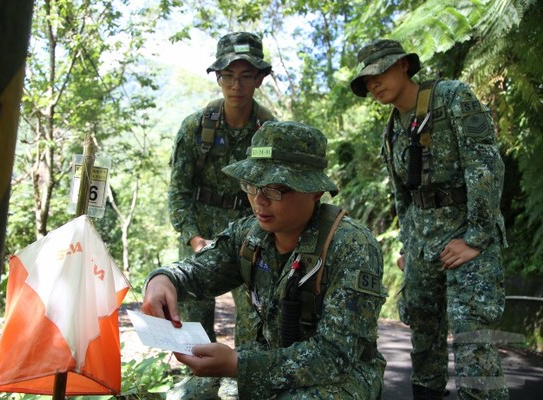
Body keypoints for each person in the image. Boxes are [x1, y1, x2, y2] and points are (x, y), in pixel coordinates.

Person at [144, 121, 387, 399]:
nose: (259, 200)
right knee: (186, 395)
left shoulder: (350, 246)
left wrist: (238, 365)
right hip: (268, 360)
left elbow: (335, 356)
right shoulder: (248, 235)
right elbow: (196, 271)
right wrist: (165, 279)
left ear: (315, 191)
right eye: (251, 184)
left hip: (341, 376)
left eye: (274, 189)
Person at [350, 39, 508, 399]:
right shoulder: (391, 131)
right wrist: (408, 246)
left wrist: (476, 238)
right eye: (366, 80)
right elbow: (402, 197)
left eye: (380, 72)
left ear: (404, 65)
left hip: (466, 238)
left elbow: (485, 166)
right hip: (422, 246)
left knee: (472, 342)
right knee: (423, 338)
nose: (373, 84)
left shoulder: (451, 98)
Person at [167, 31, 275, 349]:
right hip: (198, 234)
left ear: (259, 79)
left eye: (245, 77)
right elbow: (178, 192)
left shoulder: (269, 132)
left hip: (251, 235)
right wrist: (192, 237)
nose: (235, 86)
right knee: (192, 329)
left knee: (257, 322)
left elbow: (277, 192)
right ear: (217, 78)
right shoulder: (196, 127)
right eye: (227, 76)